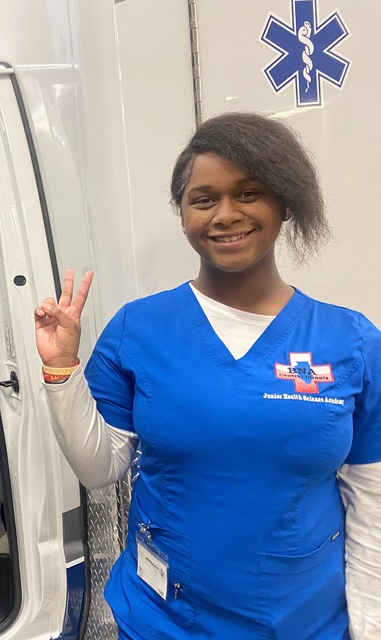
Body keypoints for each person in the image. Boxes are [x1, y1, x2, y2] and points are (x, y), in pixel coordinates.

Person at [34, 112, 381, 639]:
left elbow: (371, 500)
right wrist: (60, 368)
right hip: (163, 621)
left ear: (285, 203)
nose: (225, 214)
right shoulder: (138, 329)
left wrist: (370, 626)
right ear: (183, 215)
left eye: (249, 193)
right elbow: (100, 468)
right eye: (203, 199)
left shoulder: (350, 340)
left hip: (302, 624)